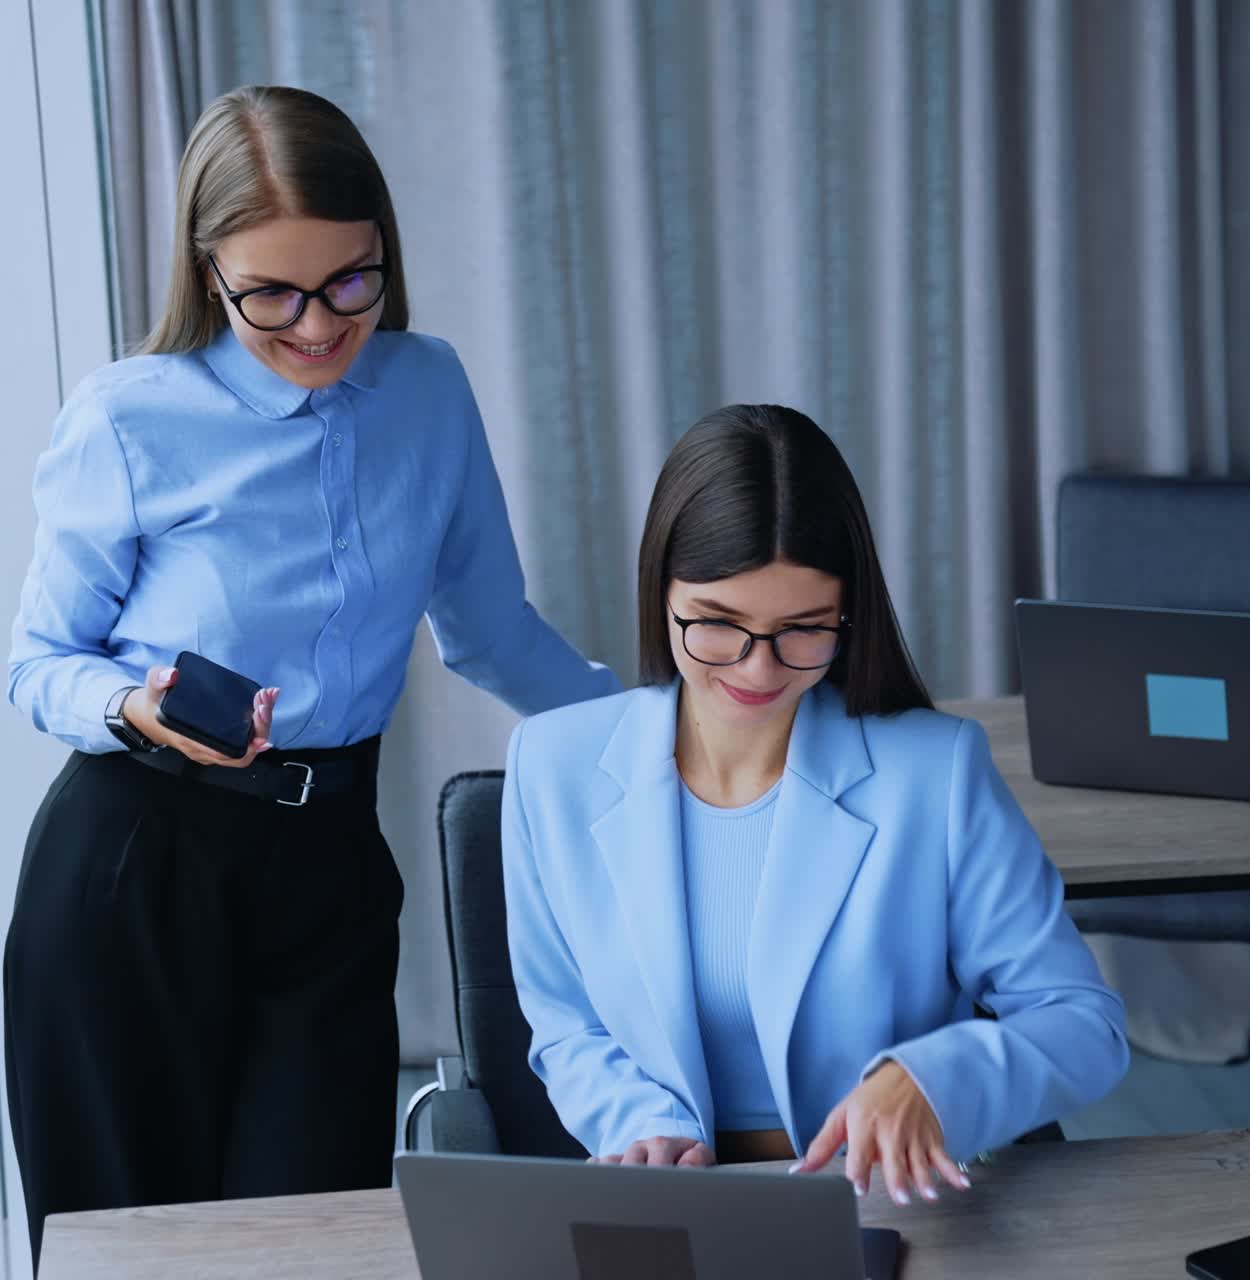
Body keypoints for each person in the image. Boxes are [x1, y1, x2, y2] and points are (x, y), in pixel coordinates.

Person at [5, 84, 618, 1262]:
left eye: (350, 280)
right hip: (135, 869)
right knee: (134, 1252)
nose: (319, 323)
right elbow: (36, 664)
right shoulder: (131, 417)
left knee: (306, 1244)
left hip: (328, 864)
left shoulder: (428, 388)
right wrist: (126, 705)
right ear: (207, 269)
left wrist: (665, 727)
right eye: (270, 294)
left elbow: (492, 630)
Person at [502, 404, 1128, 1202]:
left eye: (802, 629)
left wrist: (933, 1079)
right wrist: (644, 1128)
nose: (758, 670)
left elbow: (1082, 1021)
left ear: (847, 613)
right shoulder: (550, 765)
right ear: (661, 590)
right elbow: (566, 1021)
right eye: (718, 626)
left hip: (884, 1201)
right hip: (667, 1205)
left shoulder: (934, 773)